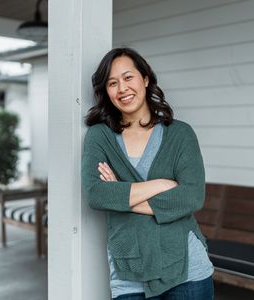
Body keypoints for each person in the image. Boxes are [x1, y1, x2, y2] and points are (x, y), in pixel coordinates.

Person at [81, 47, 214, 300]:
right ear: (105, 91)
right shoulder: (100, 136)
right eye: (112, 83)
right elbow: (96, 194)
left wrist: (121, 195)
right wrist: (163, 184)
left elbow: (192, 197)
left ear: (145, 79)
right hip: (128, 270)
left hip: (186, 268)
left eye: (128, 77)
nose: (122, 88)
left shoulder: (181, 134)